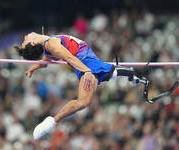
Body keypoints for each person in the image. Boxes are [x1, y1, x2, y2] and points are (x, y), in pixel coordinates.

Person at [15, 32, 146, 140]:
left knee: (82, 102)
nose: (25, 36)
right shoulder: (49, 45)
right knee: (88, 96)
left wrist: (87, 71)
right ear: (33, 43)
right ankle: (124, 72)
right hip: (83, 62)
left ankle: (51, 122)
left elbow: (69, 58)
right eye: (24, 41)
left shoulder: (51, 44)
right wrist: (33, 68)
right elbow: (46, 62)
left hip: (84, 62)